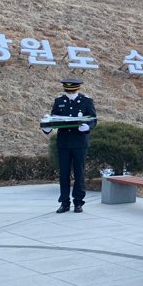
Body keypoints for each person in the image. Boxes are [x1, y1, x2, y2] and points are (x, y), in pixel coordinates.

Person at [42, 78, 97, 213]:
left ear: (77, 89)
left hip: (79, 142)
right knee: (64, 174)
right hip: (64, 142)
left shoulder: (86, 101)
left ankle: (78, 202)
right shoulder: (59, 101)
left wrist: (88, 127)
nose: (70, 93)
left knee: (79, 173)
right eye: (68, 91)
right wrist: (47, 125)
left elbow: (93, 119)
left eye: (72, 91)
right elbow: (55, 119)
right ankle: (64, 202)